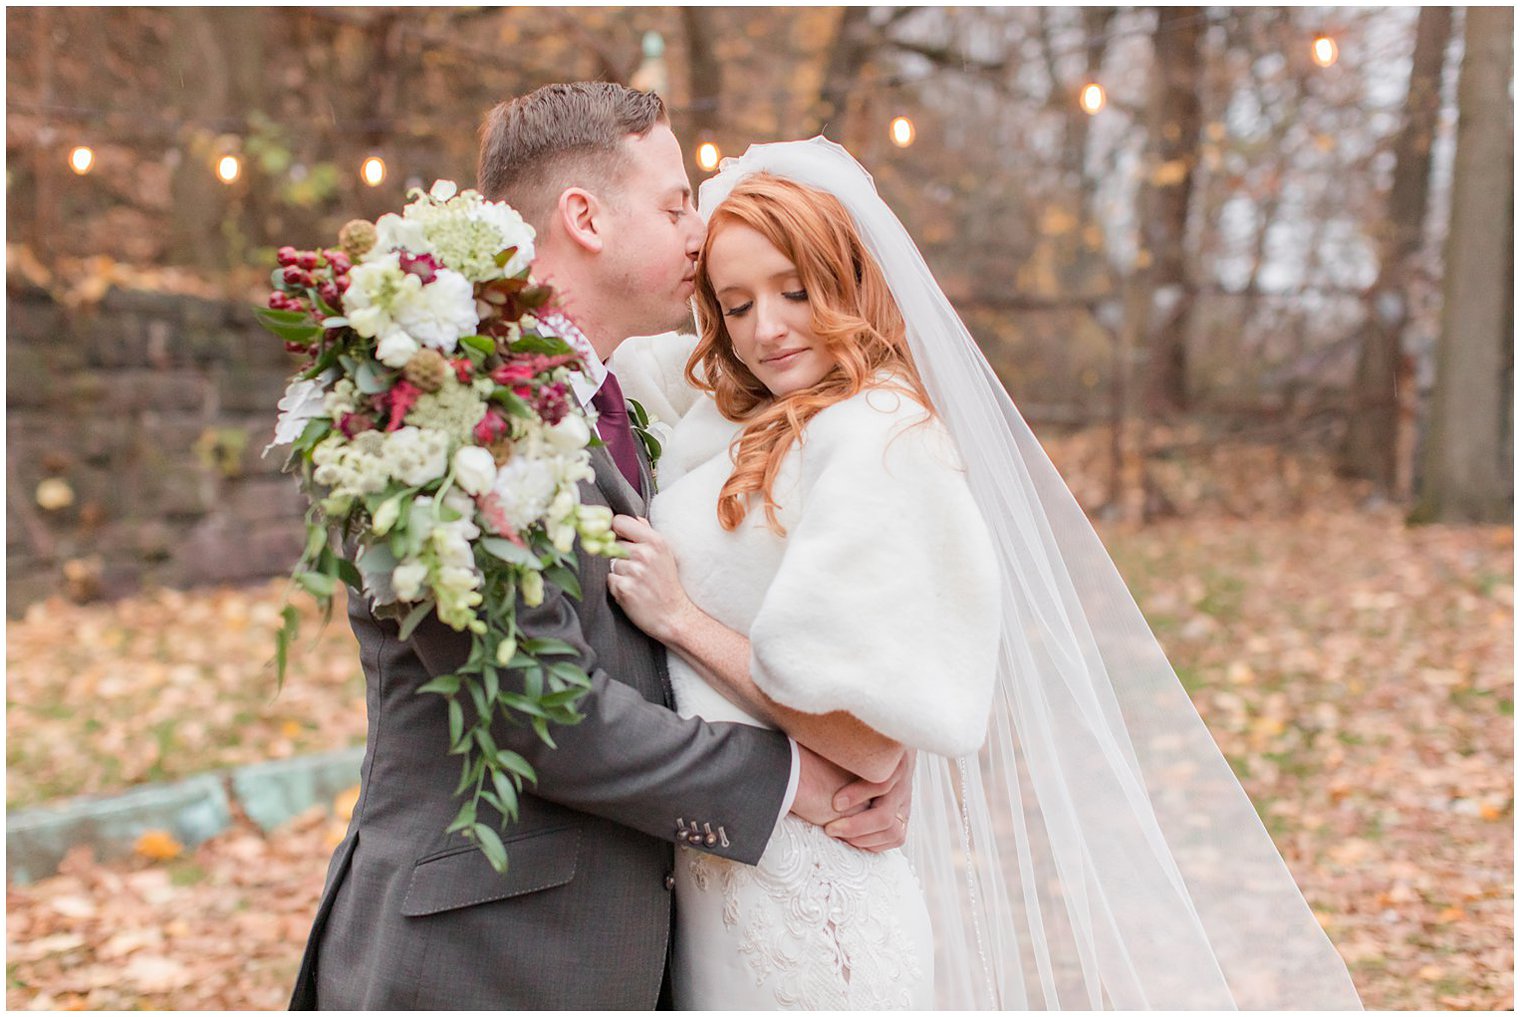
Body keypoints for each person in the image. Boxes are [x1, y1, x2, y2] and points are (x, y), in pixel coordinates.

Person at [607, 138, 1364, 1009]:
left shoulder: (880, 435)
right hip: (726, 882)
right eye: (736, 305)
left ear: (849, 283)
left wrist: (681, 620)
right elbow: (625, 369)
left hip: (811, 909)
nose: (766, 328)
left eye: (795, 290)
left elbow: (869, 738)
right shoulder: (754, 421)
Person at [287, 84, 913, 1011]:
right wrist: (795, 784)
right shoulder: (444, 407)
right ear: (584, 216)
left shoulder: (614, 393)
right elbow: (545, 716)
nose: (698, 232)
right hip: (480, 961)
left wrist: (868, 757)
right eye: (673, 205)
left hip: (623, 948)